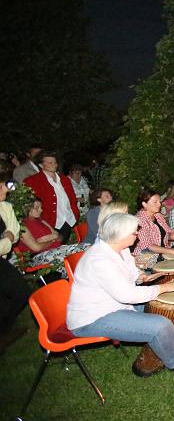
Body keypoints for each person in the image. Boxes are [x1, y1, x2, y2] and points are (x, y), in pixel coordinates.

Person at [67, 213, 174, 377]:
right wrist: (163, 287)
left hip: (116, 304)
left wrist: (140, 275)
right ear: (119, 235)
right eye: (133, 232)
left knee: (166, 306)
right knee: (160, 325)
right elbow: (127, 295)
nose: (137, 234)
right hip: (93, 318)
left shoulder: (120, 249)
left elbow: (131, 270)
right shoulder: (99, 260)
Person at [14, 198, 89, 275]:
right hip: (39, 257)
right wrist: (52, 238)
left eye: (41, 207)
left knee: (86, 249)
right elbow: (37, 248)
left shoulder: (40, 220)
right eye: (37, 208)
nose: (41, 210)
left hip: (56, 250)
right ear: (28, 210)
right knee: (81, 253)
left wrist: (47, 239)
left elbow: (59, 238)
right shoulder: (22, 226)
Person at [0, 174, 30, 352]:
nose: (5, 190)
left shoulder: (5, 207)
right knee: (15, 292)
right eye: (1, 187)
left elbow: (15, 232)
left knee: (20, 292)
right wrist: (7, 240)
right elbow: (9, 238)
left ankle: (4, 330)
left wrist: (8, 237)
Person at [24, 151, 79, 243]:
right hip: (48, 222)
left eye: (55, 162)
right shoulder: (32, 181)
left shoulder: (65, 179)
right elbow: (29, 205)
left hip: (68, 220)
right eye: (50, 162)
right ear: (41, 165)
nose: (54, 164)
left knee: (63, 248)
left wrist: (75, 213)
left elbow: (72, 199)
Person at [133, 189, 174, 266]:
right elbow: (148, 246)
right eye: (155, 202)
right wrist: (171, 251)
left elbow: (167, 232)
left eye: (159, 201)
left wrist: (171, 235)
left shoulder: (158, 215)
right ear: (144, 204)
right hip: (146, 258)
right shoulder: (140, 220)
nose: (159, 204)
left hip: (162, 253)